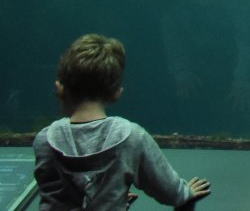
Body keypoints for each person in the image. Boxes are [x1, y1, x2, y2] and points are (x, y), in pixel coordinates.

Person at [33, 34, 212, 210]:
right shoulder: (131, 137)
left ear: (60, 89)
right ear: (116, 93)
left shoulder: (45, 140)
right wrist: (184, 192)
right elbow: (169, 191)